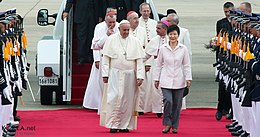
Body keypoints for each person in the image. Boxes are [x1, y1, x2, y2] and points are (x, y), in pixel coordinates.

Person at [100, 20, 145, 133]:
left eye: (127, 30)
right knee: (114, 98)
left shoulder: (135, 41)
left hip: (130, 75)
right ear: (119, 29)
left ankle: (125, 125)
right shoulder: (111, 40)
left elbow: (139, 61)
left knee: (127, 100)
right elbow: (105, 59)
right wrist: (105, 74)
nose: (126, 32)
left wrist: (140, 76)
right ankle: (113, 124)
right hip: (115, 73)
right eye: (124, 30)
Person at [153, 25, 192, 134]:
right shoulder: (163, 48)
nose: (172, 36)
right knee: (168, 101)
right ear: (167, 35)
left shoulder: (183, 49)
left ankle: (175, 125)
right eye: (170, 34)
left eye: (174, 34)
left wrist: (188, 78)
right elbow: (158, 64)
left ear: (178, 35)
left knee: (177, 104)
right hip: (166, 79)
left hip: (179, 80)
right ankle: (167, 123)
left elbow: (186, 65)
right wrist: (156, 78)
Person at [83, 12, 119, 112]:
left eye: (113, 22)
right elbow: (95, 45)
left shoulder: (120, 26)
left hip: (116, 60)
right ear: (105, 20)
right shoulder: (99, 27)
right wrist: (97, 59)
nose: (112, 24)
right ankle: (101, 105)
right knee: (101, 84)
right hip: (103, 58)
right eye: (109, 22)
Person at [166, 13, 192, 110]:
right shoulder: (167, 32)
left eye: (169, 21)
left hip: (180, 66)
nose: (167, 22)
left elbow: (188, 52)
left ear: (175, 22)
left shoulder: (184, 32)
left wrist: (188, 73)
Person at [144, 20, 169, 117]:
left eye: (159, 28)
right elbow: (146, 55)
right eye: (156, 28)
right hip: (156, 67)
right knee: (156, 89)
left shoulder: (171, 39)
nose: (156, 30)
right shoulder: (154, 40)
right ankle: (158, 110)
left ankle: (167, 109)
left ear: (165, 29)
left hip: (168, 68)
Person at [215, 2, 234, 121]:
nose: (227, 14)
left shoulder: (238, 23)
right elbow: (218, 40)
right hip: (223, 57)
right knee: (222, 84)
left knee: (232, 86)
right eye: (225, 11)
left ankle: (230, 109)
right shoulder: (220, 23)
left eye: (229, 11)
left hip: (234, 57)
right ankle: (221, 108)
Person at [127, 11, 148, 115]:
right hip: (128, 63)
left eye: (137, 18)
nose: (137, 20)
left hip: (140, 61)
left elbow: (147, 47)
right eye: (134, 18)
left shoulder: (142, 30)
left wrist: (148, 63)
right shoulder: (125, 31)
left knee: (141, 86)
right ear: (129, 20)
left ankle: (139, 108)